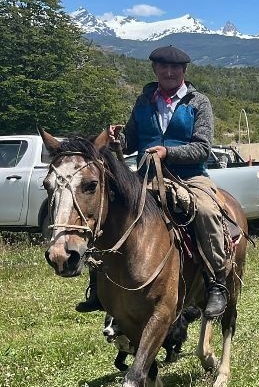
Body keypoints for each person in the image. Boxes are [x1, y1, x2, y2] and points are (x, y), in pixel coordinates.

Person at [76, 45, 231, 319]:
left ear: (184, 71)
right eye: (163, 67)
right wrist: (117, 140)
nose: (169, 72)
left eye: (175, 68)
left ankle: (216, 281)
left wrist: (168, 152)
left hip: (189, 176)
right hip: (146, 176)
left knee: (206, 211)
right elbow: (132, 142)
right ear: (155, 70)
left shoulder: (198, 102)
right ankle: (98, 283)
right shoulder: (143, 101)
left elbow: (203, 148)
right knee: (107, 209)